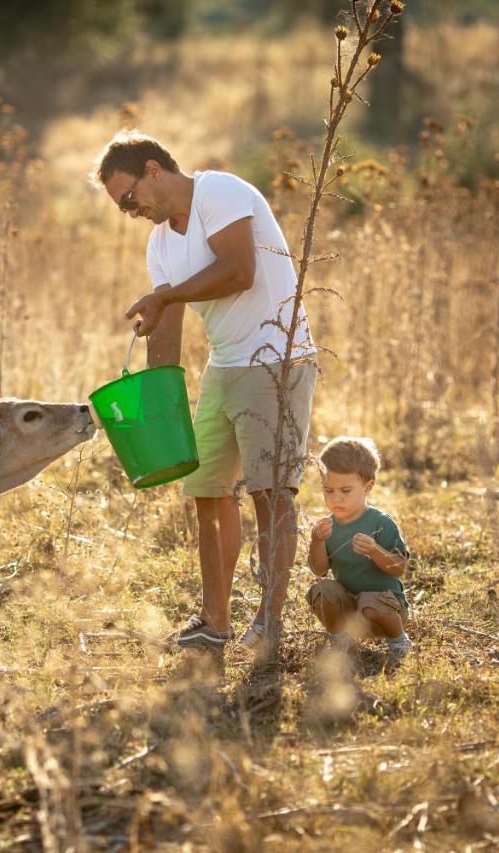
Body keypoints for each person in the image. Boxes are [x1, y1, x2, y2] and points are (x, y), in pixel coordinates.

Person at [94, 131, 318, 659]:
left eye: (130, 198)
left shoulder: (218, 191)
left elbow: (240, 272)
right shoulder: (160, 244)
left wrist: (169, 293)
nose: (131, 212)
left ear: (153, 170)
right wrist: (155, 407)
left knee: (270, 493)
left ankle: (270, 621)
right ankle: (215, 622)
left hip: (275, 356)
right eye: (121, 209)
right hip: (225, 366)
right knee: (207, 493)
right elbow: (167, 325)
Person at [305, 437, 414, 664]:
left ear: (368, 487)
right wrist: (316, 541)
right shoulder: (328, 526)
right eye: (328, 490)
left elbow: (399, 568)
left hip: (384, 607)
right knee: (321, 591)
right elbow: (319, 569)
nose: (336, 498)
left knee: (370, 604)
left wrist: (375, 550)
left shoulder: (380, 523)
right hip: (349, 606)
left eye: (345, 490)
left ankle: (399, 640)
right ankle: (342, 640)